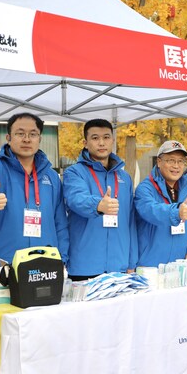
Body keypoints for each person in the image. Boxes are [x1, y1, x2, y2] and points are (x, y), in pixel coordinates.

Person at [0, 113, 69, 283]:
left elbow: (60, 223)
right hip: (3, 265)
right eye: (20, 133)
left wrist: (62, 259)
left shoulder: (51, 177)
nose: (27, 139)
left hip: (44, 266)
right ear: (8, 138)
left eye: (33, 134)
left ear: (40, 139)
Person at [62, 119, 138, 281]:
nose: (101, 143)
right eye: (95, 138)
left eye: (106, 137)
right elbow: (76, 199)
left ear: (113, 141)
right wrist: (98, 205)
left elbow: (130, 221)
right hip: (85, 265)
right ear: (85, 143)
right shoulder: (74, 173)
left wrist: (131, 262)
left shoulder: (124, 177)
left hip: (119, 265)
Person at [134, 140, 187, 267]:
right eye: (171, 160)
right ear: (159, 162)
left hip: (180, 266)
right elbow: (151, 210)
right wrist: (177, 212)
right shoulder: (145, 189)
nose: (176, 166)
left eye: (181, 161)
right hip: (150, 267)